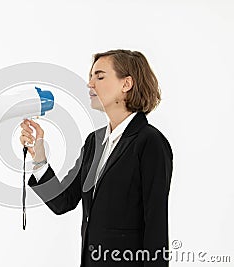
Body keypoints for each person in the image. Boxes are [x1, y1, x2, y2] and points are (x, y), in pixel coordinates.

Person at [20, 49, 173, 267]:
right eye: (91, 77)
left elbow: (156, 225)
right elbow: (63, 201)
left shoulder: (150, 142)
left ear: (126, 84)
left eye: (99, 77)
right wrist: (39, 157)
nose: (90, 84)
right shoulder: (94, 141)